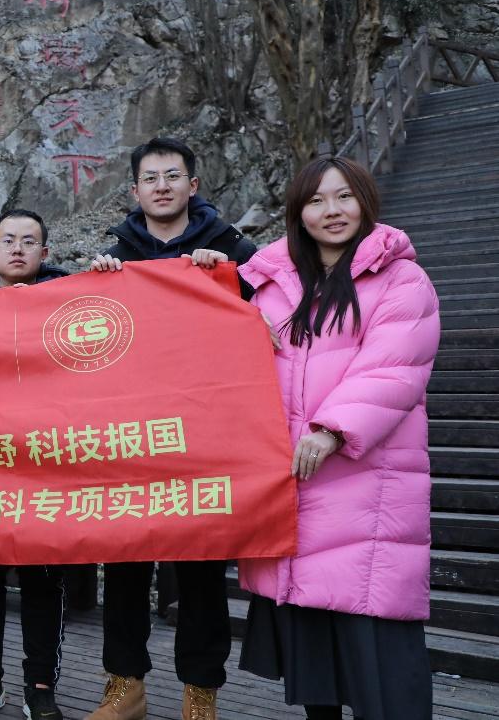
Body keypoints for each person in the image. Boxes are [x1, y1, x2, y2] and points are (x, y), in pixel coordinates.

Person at [237, 156, 439, 720]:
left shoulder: (402, 279)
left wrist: (331, 430)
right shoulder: (272, 285)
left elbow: (393, 368)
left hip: (364, 488)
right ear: (298, 213)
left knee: (380, 660)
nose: (332, 210)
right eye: (316, 200)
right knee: (317, 667)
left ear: (365, 201)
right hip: (294, 489)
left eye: (344, 196)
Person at [86, 137, 256, 720]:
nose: (162, 186)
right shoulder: (115, 257)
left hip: (204, 438)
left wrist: (228, 278)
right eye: (151, 178)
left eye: (173, 176)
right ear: (135, 190)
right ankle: (123, 686)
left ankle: (200, 694)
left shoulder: (233, 250)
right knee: (125, 562)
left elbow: (271, 320)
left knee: (202, 570)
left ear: (193, 185)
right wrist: (96, 284)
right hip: (132, 436)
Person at [0, 209, 67, 720]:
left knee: (44, 580)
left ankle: (40, 684)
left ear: (45, 253)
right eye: (8, 240)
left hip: (49, 464)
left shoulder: (71, 307)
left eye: (29, 241)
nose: (18, 248)